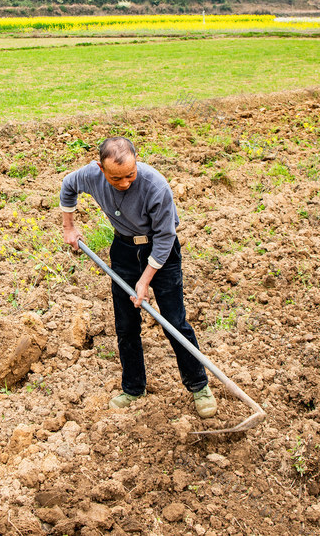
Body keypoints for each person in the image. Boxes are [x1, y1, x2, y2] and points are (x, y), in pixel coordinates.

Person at [60, 137, 216, 418]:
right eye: (115, 178)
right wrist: (68, 227)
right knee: (126, 325)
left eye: (129, 175)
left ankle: (199, 386)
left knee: (174, 321)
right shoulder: (90, 175)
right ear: (100, 168)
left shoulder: (156, 186)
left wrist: (144, 281)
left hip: (161, 251)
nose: (124, 183)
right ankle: (133, 388)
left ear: (137, 161)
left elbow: (166, 237)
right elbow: (68, 186)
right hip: (123, 250)